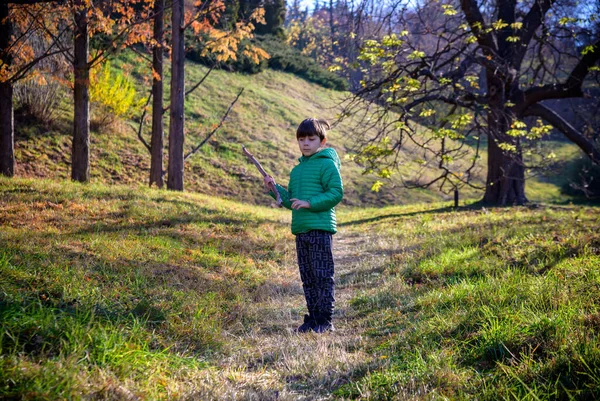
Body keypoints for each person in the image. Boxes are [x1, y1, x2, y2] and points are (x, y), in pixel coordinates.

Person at [263, 118, 344, 333]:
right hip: (301, 230)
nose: (306, 143)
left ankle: (325, 321)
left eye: (311, 139)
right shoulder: (296, 171)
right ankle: (313, 319)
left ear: (322, 141)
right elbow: (293, 202)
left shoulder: (327, 164)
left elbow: (336, 192)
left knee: (322, 276)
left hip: (320, 228)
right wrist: (274, 189)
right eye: (301, 139)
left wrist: (310, 203)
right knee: (308, 277)